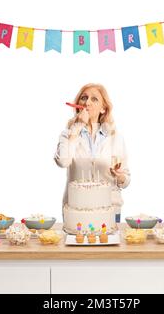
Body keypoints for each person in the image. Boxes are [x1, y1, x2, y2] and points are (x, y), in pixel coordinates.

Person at [54, 83, 130, 223]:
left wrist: (120, 177)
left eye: (94, 99)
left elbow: (126, 181)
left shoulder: (115, 137)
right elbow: (63, 161)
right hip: (76, 212)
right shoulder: (68, 134)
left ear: (103, 108)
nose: (87, 102)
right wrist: (77, 127)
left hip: (110, 210)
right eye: (84, 98)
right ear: (77, 104)